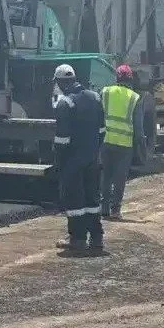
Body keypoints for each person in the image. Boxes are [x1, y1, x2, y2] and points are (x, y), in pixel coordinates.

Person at [52, 64, 107, 256]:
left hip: (72, 161)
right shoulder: (95, 97)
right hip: (92, 157)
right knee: (92, 199)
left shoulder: (65, 103)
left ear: (60, 82)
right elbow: (102, 131)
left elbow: (62, 140)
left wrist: (59, 162)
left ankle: (78, 239)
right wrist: (93, 150)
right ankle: (97, 238)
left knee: (75, 201)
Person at [101, 64, 145, 221]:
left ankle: (104, 209)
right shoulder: (134, 98)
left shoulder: (106, 92)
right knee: (119, 178)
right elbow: (138, 127)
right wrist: (141, 146)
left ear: (117, 78)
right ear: (131, 79)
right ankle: (115, 210)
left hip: (106, 141)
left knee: (105, 176)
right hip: (125, 145)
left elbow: (99, 116)